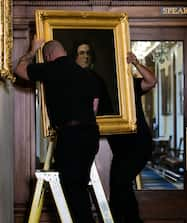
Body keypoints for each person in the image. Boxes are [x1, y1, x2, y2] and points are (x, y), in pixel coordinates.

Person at [14, 36, 100, 223]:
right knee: (79, 188)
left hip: (71, 136)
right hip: (91, 134)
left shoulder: (52, 67)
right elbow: (94, 106)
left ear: (49, 55)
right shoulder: (85, 74)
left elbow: (19, 70)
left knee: (72, 190)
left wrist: (32, 50)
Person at [108, 52, 157, 223]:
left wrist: (135, 62)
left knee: (120, 184)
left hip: (138, 144)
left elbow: (151, 81)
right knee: (117, 187)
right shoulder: (100, 87)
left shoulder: (130, 84)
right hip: (120, 149)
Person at [72, 40, 117, 115]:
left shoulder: (99, 80)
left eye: (88, 53)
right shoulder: (70, 79)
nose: (86, 56)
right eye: (82, 53)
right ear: (75, 57)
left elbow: (107, 109)